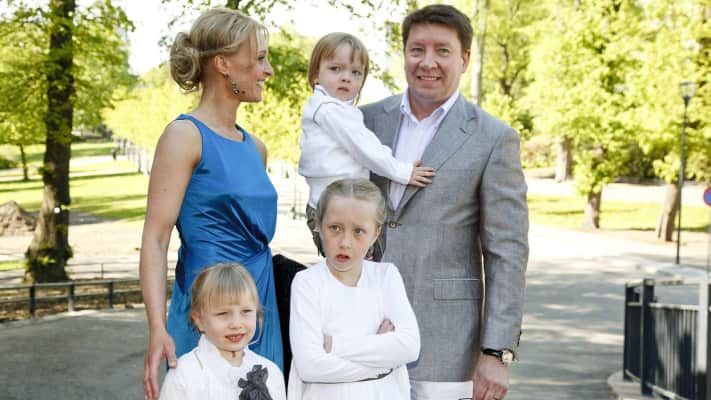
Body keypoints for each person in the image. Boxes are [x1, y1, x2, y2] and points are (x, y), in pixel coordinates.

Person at [360, 4, 529, 400]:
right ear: (404, 54)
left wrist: (496, 352)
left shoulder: (494, 138)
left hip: (447, 343)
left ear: (465, 59)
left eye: (443, 51)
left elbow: (506, 252)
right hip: (362, 329)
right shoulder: (363, 122)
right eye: (417, 49)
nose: (428, 62)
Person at [139, 8, 282, 400]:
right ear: (223, 64)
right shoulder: (184, 136)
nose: (268, 71)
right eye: (260, 58)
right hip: (207, 304)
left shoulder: (256, 147)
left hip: (258, 303)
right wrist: (156, 328)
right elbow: (155, 238)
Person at [298, 32, 435, 255]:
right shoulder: (328, 110)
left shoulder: (338, 110)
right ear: (315, 75)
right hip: (334, 210)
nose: (346, 78)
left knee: (356, 268)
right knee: (351, 268)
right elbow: (365, 148)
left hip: (338, 207)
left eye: (356, 72)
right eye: (335, 69)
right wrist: (403, 172)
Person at [288, 178, 420, 400]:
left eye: (358, 231)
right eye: (335, 228)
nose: (345, 242)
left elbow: (409, 346)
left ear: (376, 233)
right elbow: (309, 366)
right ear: (318, 224)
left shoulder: (386, 276)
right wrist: (382, 364)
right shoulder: (307, 283)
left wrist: (335, 345)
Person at [159, 263, 286, 400]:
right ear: (199, 320)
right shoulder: (185, 376)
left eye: (246, 311)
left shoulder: (271, 373)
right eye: (223, 313)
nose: (236, 324)